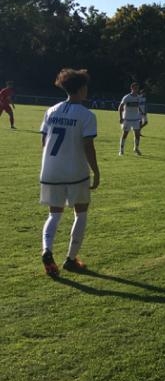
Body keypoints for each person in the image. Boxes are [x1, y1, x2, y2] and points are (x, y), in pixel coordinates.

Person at [39, 67, 100, 277]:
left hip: (50, 170)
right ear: (81, 89)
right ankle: (71, 259)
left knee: (54, 214)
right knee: (81, 213)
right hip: (75, 172)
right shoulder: (87, 115)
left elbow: (44, 141)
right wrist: (96, 172)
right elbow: (88, 146)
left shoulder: (51, 111)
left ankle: (47, 250)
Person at [118, 82, 143, 155]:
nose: (136, 89)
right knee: (125, 134)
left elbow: (140, 108)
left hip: (135, 119)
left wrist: (141, 117)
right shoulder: (127, 97)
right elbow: (120, 107)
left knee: (137, 134)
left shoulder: (139, 98)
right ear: (131, 88)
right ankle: (121, 150)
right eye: (135, 88)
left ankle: (136, 148)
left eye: (137, 88)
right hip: (127, 119)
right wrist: (121, 118)